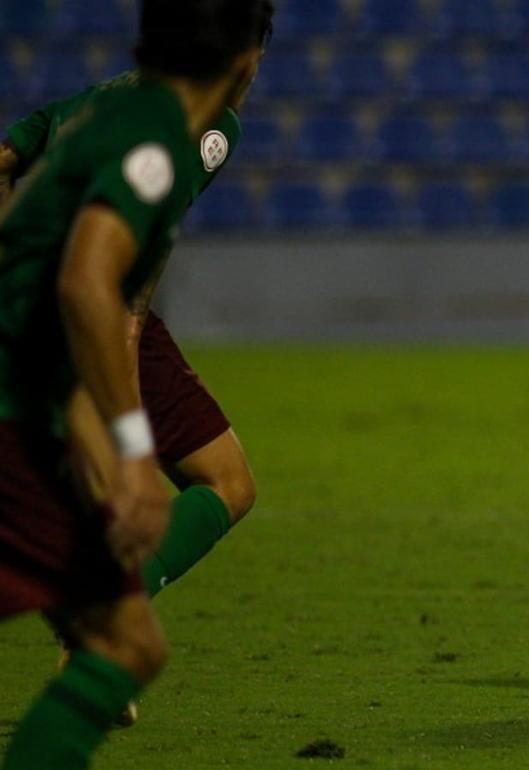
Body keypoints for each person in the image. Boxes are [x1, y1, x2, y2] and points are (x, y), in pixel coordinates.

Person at [0, 1, 270, 766]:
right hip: (71, 329)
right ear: (245, 60)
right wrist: (127, 449)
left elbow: (6, 159)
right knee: (223, 488)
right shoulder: (184, 136)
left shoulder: (100, 100)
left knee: (124, 641)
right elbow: (100, 292)